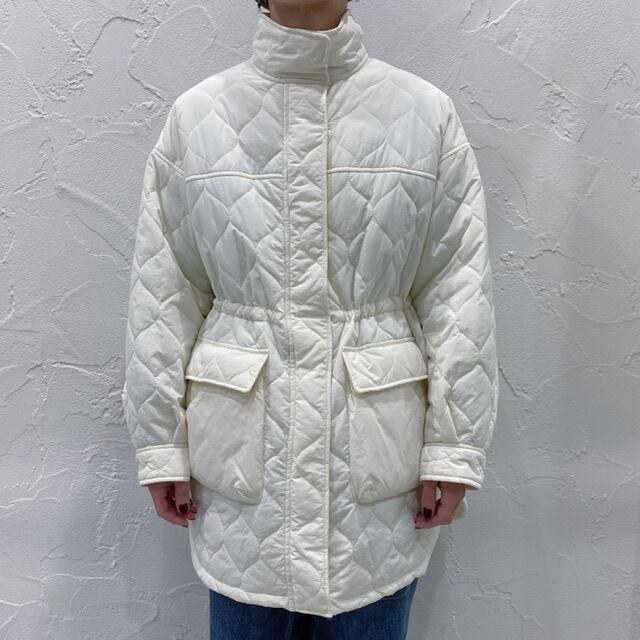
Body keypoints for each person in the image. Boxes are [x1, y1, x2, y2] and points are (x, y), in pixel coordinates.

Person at [120, 0, 499, 638]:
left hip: (376, 467)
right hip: (242, 466)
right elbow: (163, 292)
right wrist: (161, 445)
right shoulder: (196, 117)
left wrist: (454, 449)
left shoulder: (424, 113)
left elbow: (459, 291)